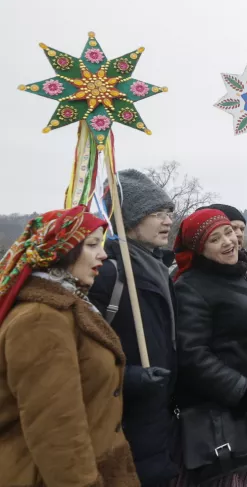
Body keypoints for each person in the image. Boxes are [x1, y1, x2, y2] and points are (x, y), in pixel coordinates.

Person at [0, 207, 140, 486]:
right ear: (60, 252)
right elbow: (55, 428)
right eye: (91, 245)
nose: (103, 254)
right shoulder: (41, 320)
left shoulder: (70, 308)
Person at [173, 209, 247, 485]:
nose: (228, 242)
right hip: (224, 414)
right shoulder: (191, 287)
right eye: (215, 239)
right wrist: (244, 390)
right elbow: (192, 355)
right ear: (199, 250)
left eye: (228, 232)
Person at [90, 169, 180, 486]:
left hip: (160, 419)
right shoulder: (107, 275)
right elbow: (81, 358)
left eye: (168, 212)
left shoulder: (160, 269)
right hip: (124, 420)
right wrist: (133, 378)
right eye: (157, 213)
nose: (168, 221)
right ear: (129, 219)